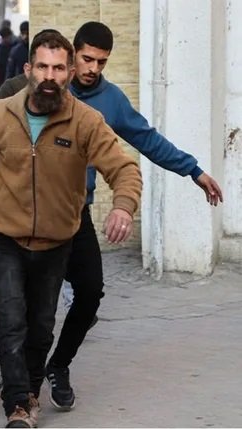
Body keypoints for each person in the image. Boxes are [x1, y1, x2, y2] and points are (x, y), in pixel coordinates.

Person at [41, 21, 224, 413]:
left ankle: (59, 365)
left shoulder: (111, 101)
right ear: (72, 54)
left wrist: (193, 170)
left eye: (101, 62)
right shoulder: (45, 90)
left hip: (75, 213)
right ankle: (19, 386)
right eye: (87, 59)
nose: (93, 68)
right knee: (33, 303)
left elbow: (147, 140)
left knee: (90, 294)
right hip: (33, 214)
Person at [0, 31, 142, 428]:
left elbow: (124, 168)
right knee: (12, 321)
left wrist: (123, 206)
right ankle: (18, 404)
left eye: (59, 68)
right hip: (5, 235)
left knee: (41, 326)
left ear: (70, 72)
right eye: (43, 67)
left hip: (57, 238)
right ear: (28, 69)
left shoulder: (85, 121)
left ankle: (31, 390)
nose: (50, 76)